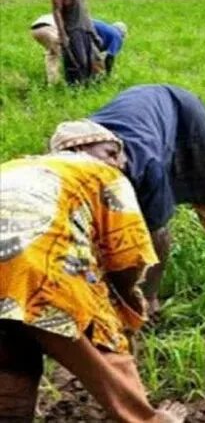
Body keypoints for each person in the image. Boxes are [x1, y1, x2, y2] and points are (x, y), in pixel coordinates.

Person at [0, 121, 186, 422]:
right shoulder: (100, 173)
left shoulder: (14, 166)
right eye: (111, 153)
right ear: (78, 148)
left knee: (10, 351)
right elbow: (127, 254)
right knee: (103, 341)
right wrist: (127, 301)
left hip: (18, 263)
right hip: (37, 267)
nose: (118, 164)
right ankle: (148, 419)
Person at [51, 85, 205, 312]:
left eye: (115, 154)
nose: (116, 163)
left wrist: (148, 296)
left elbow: (157, 234)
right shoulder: (61, 172)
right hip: (144, 115)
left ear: (117, 147)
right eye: (107, 158)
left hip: (183, 111)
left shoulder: (143, 164)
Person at [52, 0, 100, 86]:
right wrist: (62, 34)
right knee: (77, 61)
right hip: (72, 30)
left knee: (90, 61)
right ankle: (73, 88)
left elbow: (86, 13)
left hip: (84, 29)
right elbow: (57, 11)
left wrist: (93, 33)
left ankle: (86, 87)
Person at [30, 13, 62, 85]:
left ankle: (52, 81)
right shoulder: (78, 21)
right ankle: (71, 81)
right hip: (49, 29)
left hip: (34, 30)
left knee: (52, 53)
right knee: (62, 55)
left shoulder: (57, 14)